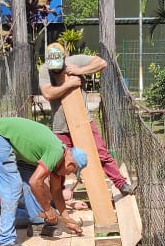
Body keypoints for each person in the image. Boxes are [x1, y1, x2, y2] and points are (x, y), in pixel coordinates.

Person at [38, 42, 135, 196]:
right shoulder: (44, 70)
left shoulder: (74, 61)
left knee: (101, 153)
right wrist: (69, 84)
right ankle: (58, 196)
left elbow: (101, 63)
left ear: (64, 57)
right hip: (60, 126)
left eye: (58, 64)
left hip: (84, 122)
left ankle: (121, 184)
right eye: (52, 65)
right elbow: (48, 94)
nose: (55, 68)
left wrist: (80, 70)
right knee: (59, 162)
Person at [0, 117, 86, 246]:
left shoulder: (59, 160)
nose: (68, 174)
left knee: (31, 182)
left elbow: (56, 193)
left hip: (13, 147)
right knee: (14, 185)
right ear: (70, 165)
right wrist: (48, 210)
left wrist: (68, 221)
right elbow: (34, 182)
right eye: (72, 172)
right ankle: (5, 241)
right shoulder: (56, 151)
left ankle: (37, 224)